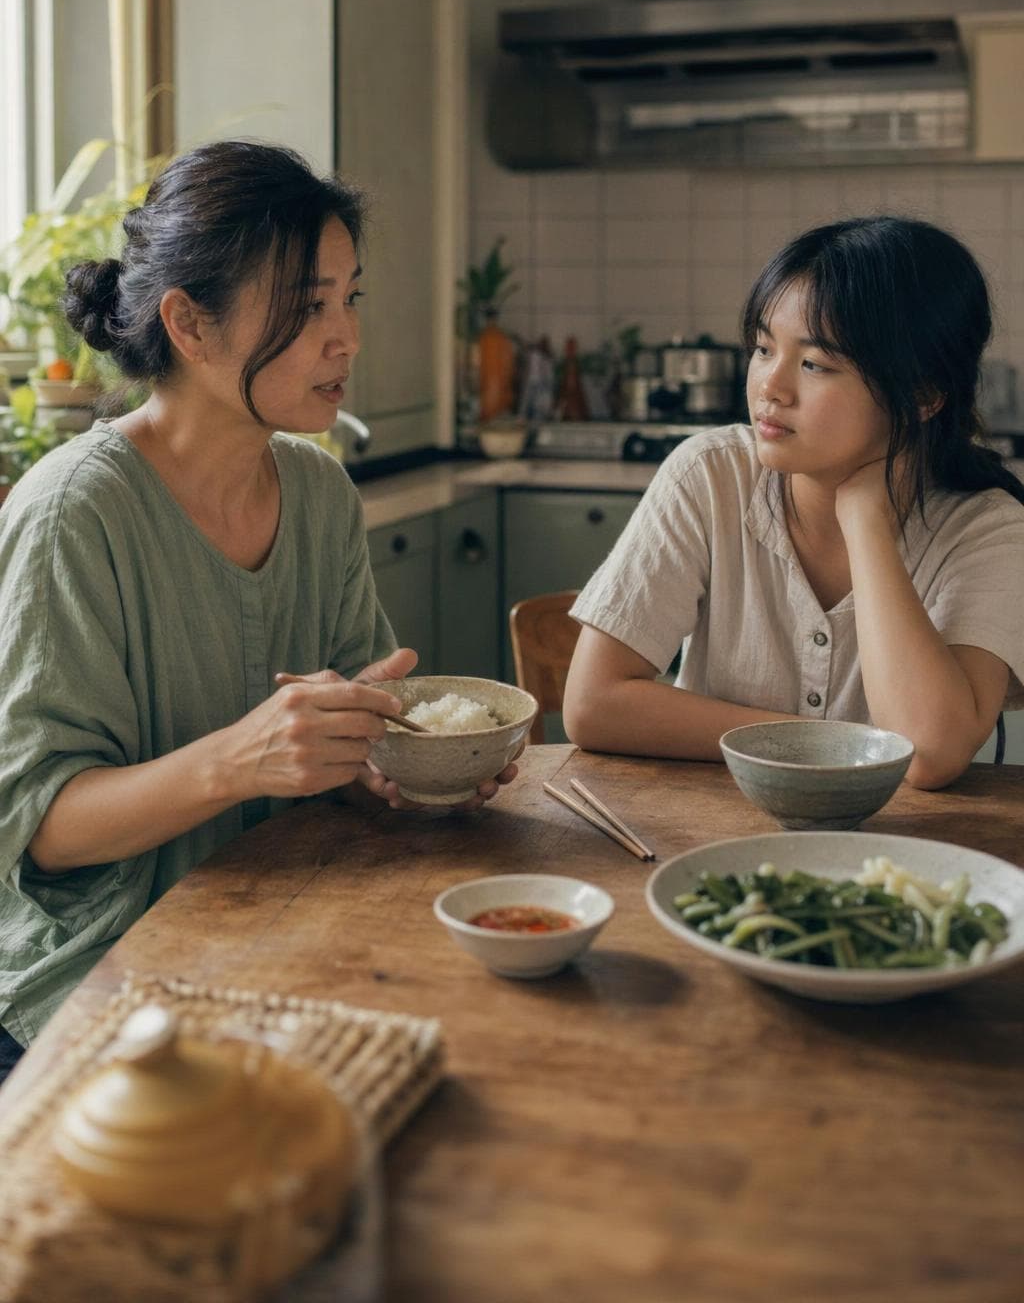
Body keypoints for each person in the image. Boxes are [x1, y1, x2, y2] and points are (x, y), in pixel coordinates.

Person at [0, 140, 517, 1074]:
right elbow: (44, 826)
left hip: (275, 937)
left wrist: (404, 765)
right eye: (307, 306)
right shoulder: (76, 510)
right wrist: (241, 759)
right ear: (190, 326)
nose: (347, 337)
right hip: (98, 994)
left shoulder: (319, 493)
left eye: (349, 297)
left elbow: (353, 726)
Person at [564, 215, 1024, 790]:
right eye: (762, 348)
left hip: (899, 860)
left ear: (924, 393)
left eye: (814, 364)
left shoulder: (989, 529)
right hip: (704, 836)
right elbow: (591, 705)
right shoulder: (710, 475)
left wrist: (865, 520)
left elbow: (929, 753)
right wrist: (830, 746)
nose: (769, 388)